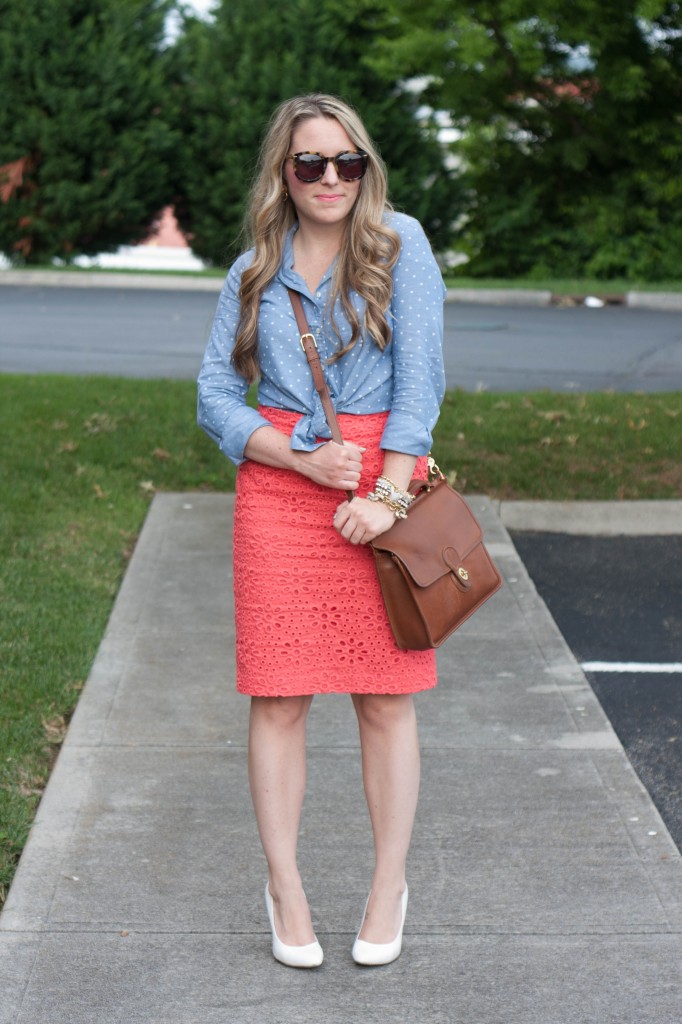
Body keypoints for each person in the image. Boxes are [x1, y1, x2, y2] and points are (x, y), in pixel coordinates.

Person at [197, 93, 446, 968]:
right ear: (285, 171)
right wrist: (298, 459)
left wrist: (389, 497)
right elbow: (214, 396)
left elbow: (420, 384)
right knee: (279, 696)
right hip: (280, 492)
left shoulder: (400, 244)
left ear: (365, 167)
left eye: (347, 161)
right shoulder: (253, 271)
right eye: (311, 162)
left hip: (381, 486)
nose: (330, 177)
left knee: (385, 696)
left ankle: (388, 885)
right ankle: (285, 887)